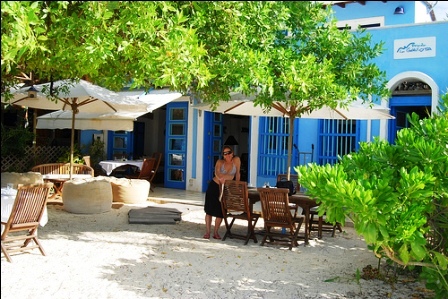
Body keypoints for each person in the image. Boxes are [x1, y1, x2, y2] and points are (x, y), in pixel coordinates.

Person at [203, 145, 241, 239]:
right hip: (214, 186)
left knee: (220, 211)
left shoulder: (236, 160)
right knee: (209, 211)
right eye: (225, 153)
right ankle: (208, 232)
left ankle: (216, 232)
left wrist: (236, 186)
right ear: (223, 155)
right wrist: (223, 178)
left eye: (229, 153)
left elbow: (237, 173)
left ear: (232, 153)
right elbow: (217, 172)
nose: (227, 155)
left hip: (225, 188)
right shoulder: (220, 162)